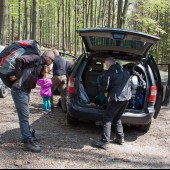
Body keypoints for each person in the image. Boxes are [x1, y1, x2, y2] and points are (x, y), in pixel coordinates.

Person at [92, 57, 132, 150]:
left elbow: (105, 87)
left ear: (108, 64)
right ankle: (120, 138)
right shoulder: (125, 71)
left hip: (116, 99)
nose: (105, 66)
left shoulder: (110, 72)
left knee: (107, 118)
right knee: (117, 117)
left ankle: (104, 142)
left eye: (106, 65)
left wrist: (99, 87)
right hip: (126, 98)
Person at [9, 54, 44, 153]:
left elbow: (35, 78)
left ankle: (29, 135)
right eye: (53, 62)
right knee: (24, 117)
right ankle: (27, 142)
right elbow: (19, 59)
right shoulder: (36, 58)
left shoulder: (39, 65)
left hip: (24, 91)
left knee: (25, 116)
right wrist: (17, 75)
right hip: (19, 90)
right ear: (48, 59)